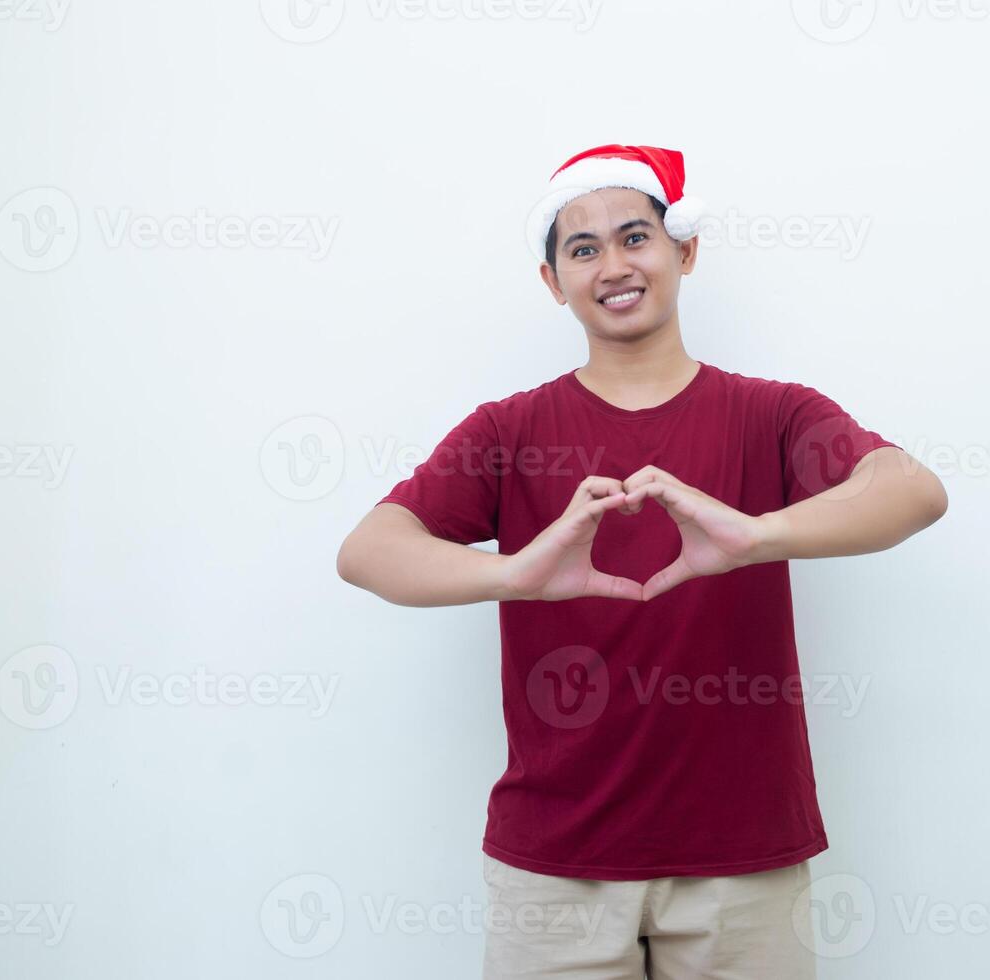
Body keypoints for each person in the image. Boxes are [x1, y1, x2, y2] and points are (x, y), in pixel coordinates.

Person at [337, 143, 948, 979]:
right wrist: (512, 575)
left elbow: (910, 490)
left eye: (635, 237)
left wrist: (759, 534)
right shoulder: (507, 431)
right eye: (582, 249)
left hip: (745, 861)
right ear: (554, 282)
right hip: (556, 867)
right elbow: (369, 551)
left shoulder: (770, 413)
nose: (614, 265)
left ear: (683, 252)